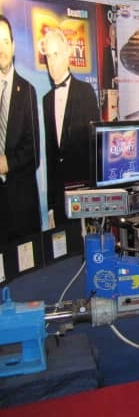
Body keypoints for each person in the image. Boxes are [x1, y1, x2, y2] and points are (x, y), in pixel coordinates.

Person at [42, 27, 100, 226]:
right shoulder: (46, 100)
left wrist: (94, 195)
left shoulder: (86, 92)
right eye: (48, 57)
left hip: (83, 194)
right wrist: (51, 205)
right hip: (59, 200)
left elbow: (95, 147)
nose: (52, 62)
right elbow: (51, 156)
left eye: (56, 54)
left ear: (67, 54)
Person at [0, 14, 41, 245]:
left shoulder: (27, 91)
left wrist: (8, 163)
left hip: (21, 207)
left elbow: (34, 151)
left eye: (5, 41)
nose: (1, 49)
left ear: (13, 46)